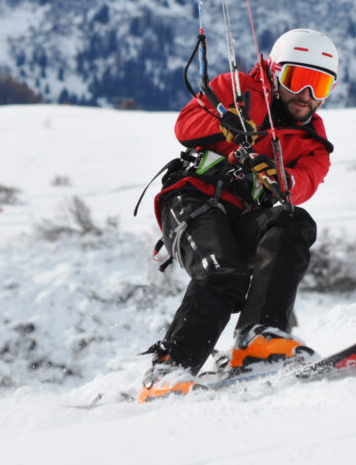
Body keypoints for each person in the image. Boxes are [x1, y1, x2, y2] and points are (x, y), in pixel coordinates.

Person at [139, 28, 339, 401]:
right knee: (223, 272)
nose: (306, 97)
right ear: (276, 73)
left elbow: (304, 183)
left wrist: (280, 178)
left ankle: (259, 337)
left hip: (244, 214)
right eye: (298, 81)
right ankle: (168, 370)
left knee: (294, 221)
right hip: (192, 198)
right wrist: (225, 123)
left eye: (320, 86)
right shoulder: (238, 88)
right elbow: (185, 125)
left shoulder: (314, 143)